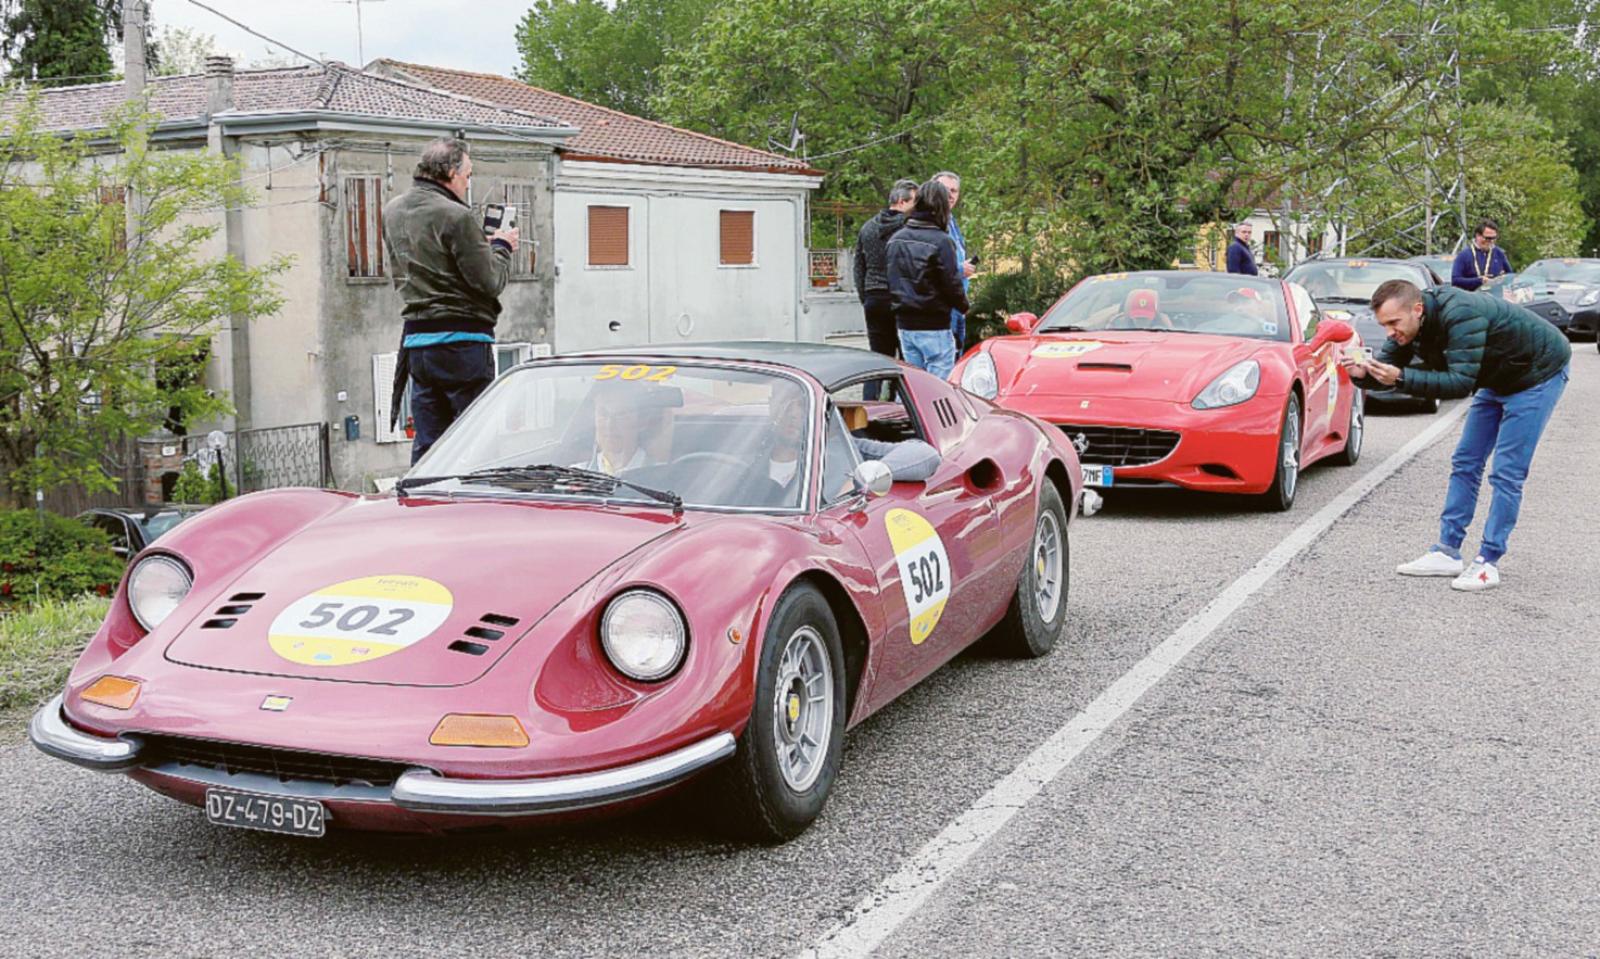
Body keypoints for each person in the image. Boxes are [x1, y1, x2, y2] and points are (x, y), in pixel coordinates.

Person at [1339, 279, 1570, 591]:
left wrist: (1403, 378)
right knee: (1465, 462)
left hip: (1537, 375)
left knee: (1507, 472)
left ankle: (1488, 561)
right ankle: (1447, 552)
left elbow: (1459, 384)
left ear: (1417, 309)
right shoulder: (1407, 328)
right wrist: (1364, 376)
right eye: (1384, 325)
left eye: (1394, 323)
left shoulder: (1461, 312)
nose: (1390, 332)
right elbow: (1390, 370)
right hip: (1496, 377)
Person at [383, 138, 520, 464]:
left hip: (418, 345)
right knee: (478, 442)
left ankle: (427, 509)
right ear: (449, 172)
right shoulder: (457, 216)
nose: (468, 184)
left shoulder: (392, 210)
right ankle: (478, 511)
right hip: (463, 345)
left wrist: (476, 246)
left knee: (430, 448)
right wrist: (501, 247)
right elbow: (489, 282)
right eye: (467, 176)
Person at [887, 178, 970, 380]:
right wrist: (965, 306)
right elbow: (951, 284)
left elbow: (892, 280)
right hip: (934, 323)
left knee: (912, 383)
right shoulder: (942, 241)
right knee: (938, 386)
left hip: (905, 323)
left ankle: (903, 411)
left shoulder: (897, 239)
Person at [853, 179, 918, 365]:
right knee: (907, 362)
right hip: (902, 299)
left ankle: (871, 393)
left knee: (878, 361)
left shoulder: (867, 228)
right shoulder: (909, 229)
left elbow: (859, 267)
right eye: (915, 201)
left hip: (874, 297)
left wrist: (865, 297)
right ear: (901, 201)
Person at [934, 171, 975, 351]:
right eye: (944, 190)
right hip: (940, 307)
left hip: (957, 303)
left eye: (954, 190)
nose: (950, 195)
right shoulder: (930, 222)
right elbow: (927, 266)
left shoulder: (951, 220)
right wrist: (959, 270)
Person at [1451, 218, 1513, 291]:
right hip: (1472, 298)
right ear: (1478, 236)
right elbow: (1455, 280)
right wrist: (1479, 281)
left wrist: (1502, 279)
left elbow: (1510, 276)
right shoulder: (1464, 255)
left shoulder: (1499, 253)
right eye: (1488, 238)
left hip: (1494, 298)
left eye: (1494, 238)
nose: (1491, 241)